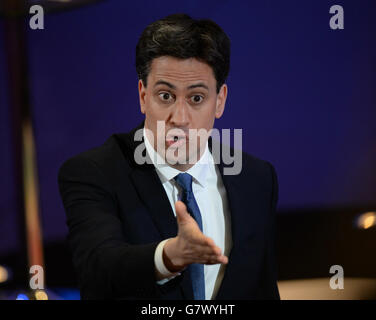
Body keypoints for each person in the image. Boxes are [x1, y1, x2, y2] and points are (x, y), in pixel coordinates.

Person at [58, 13, 280, 300]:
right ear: (143, 95)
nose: (180, 117)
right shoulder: (93, 172)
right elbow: (98, 269)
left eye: (197, 98)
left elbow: (262, 290)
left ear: (220, 100)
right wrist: (169, 257)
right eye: (165, 96)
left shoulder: (257, 178)